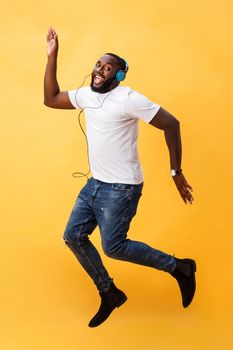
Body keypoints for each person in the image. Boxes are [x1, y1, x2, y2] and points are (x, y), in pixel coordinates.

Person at [44, 27, 196, 328]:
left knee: (113, 247)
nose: (100, 69)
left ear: (120, 75)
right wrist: (52, 56)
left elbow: (171, 123)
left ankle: (180, 267)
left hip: (122, 188)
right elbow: (50, 99)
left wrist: (176, 172)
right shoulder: (87, 94)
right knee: (73, 236)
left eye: (108, 66)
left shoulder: (128, 98)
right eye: (98, 64)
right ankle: (110, 292)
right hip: (95, 184)